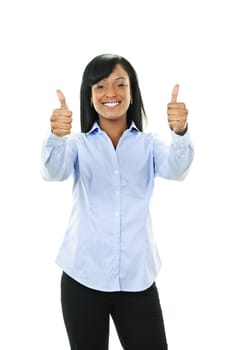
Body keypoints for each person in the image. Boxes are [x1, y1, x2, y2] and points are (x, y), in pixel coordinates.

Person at [41, 53, 194, 350]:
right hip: (82, 280)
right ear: (89, 96)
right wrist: (56, 137)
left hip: (137, 282)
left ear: (132, 93)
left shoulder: (150, 146)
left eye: (120, 84)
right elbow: (53, 172)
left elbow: (177, 170)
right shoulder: (77, 145)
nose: (110, 93)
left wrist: (180, 132)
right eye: (99, 86)